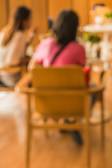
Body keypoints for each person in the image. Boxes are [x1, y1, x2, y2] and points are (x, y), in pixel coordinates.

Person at [29, 9, 88, 146]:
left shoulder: (46, 43)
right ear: (75, 27)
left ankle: (63, 121)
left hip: (46, 102)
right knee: (93, 90)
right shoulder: (79, 49)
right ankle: (68, 120)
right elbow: (82, 72)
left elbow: (32, 68)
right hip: (73, 104)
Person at [0, 6, 36, 87]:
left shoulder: (5, 32)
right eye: (30, 19)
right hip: (14, 77)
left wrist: (31, 37)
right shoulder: (20, 35)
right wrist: (32, 59)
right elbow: (13, 61)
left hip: (2, 76)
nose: (31, 21)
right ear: (24, 20)